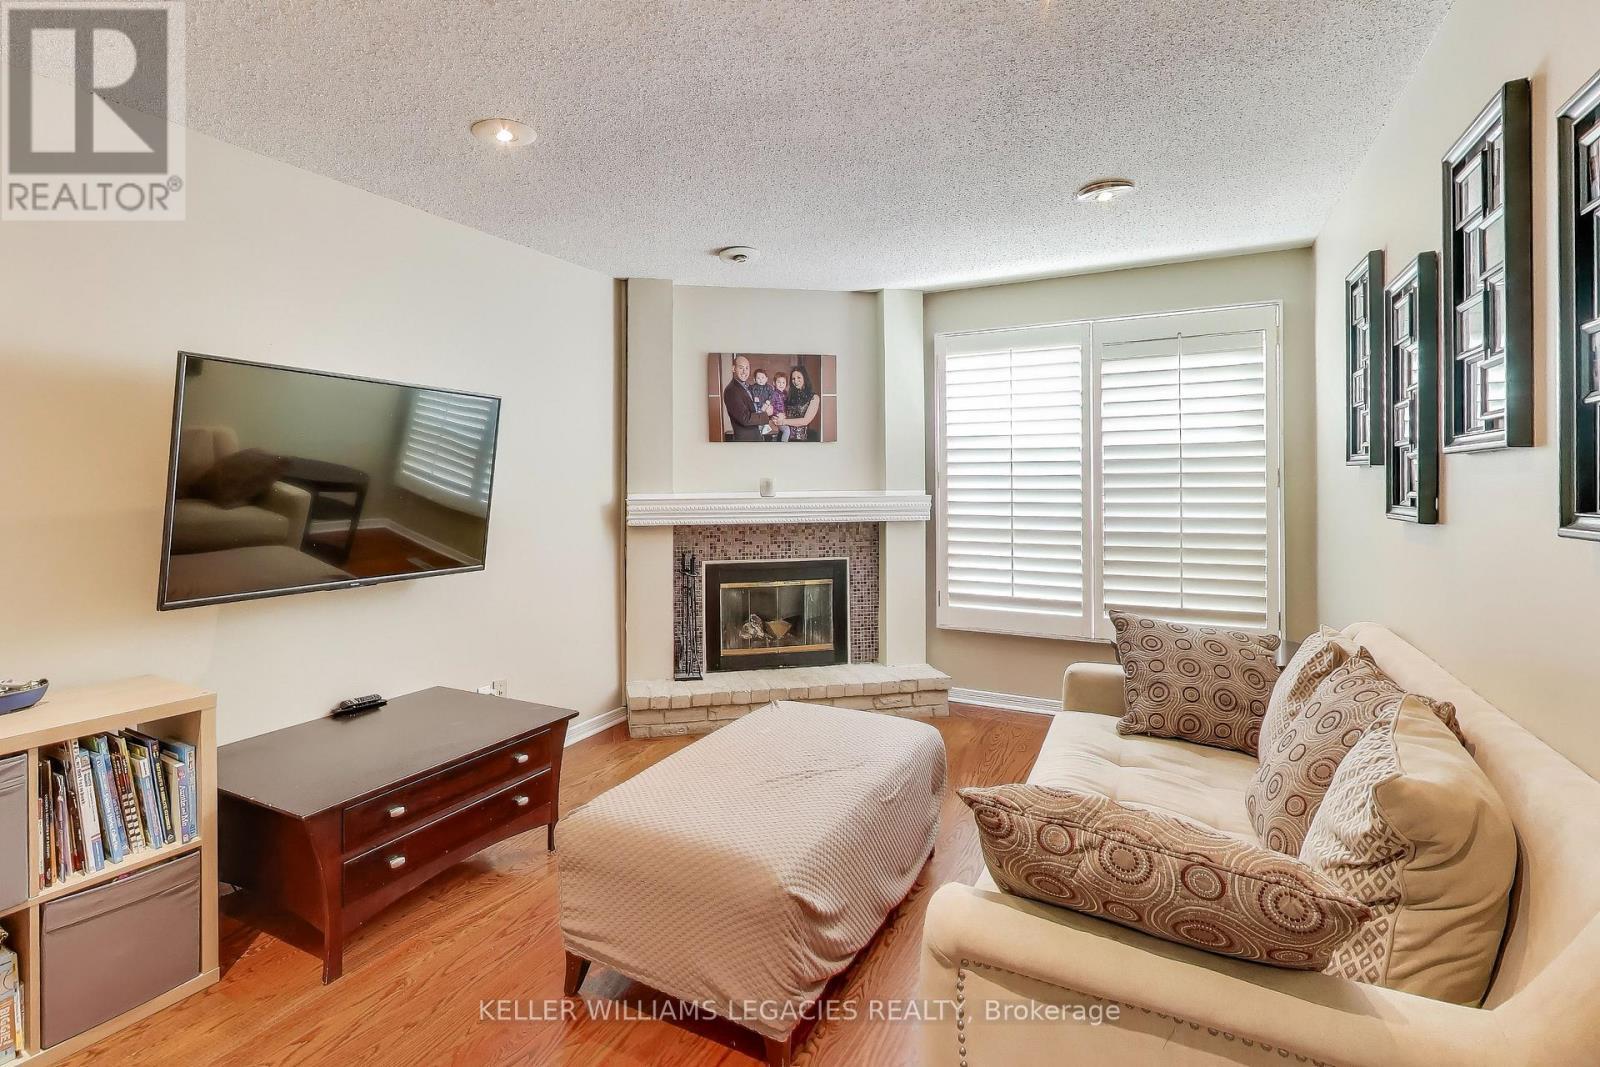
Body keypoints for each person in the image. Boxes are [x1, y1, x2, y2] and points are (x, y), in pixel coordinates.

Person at [721, 355, 773, 442]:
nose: (744, 372)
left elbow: (755, 409)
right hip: (746, 440)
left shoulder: (748, 387)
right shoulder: (731, 390)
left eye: (747, 368)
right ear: (733, 368)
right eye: (741, 368)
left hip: (756, 437)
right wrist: (766, 414)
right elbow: (745, 418)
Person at [778, 365, 820, 441]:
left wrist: (783, 421)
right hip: (783, 436)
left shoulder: (814, 397)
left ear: (805, 378)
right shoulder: (788, 395)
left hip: (801, 440)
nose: (795, 381)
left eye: (799, 377)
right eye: (793, 379)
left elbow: (805, 421)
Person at [769, 372, 790, 441]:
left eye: (783, 382)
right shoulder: (773, 394)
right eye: (779, 382)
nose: (781, 384)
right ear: (774, 383)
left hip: (784, 417)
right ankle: (783, 447)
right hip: (776, 417)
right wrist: (777, 414)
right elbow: (771, 407)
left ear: (786, 384)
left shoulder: (786, 394)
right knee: (786, 430)